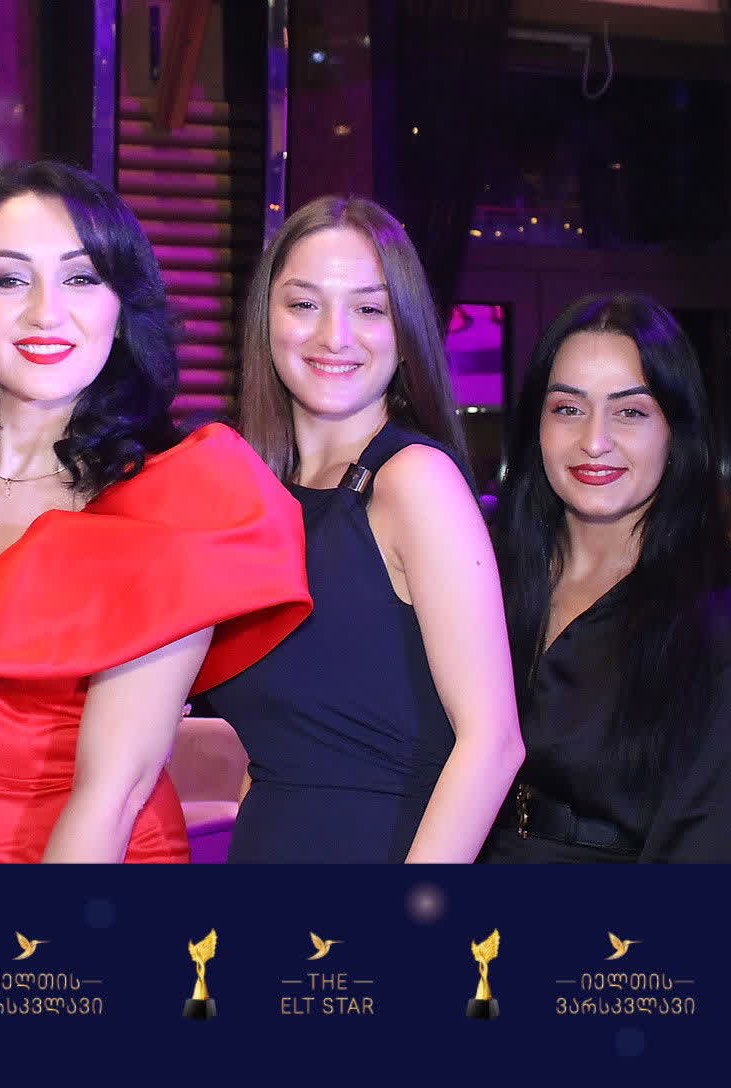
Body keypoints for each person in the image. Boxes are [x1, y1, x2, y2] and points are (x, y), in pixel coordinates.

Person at [0, 160, 310, 863]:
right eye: (9, 279)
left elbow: (114, 791)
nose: (46, 312)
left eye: (82, 278)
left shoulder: (176, 499)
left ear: (120, 308)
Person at [199, 196, 522, 862]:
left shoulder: (415, 481)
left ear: (405, 331)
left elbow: (493, 744)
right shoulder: (254, 494)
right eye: (304, 303)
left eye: (369, 309)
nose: (334, 336)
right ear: (266, 319)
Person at [482, 293, 731, 863]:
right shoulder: (486, 579)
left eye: (630, 412)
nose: (594, 441)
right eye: (568, 408)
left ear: (676, 431)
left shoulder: (722, 628)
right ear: (536, 426)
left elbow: (722, 847)